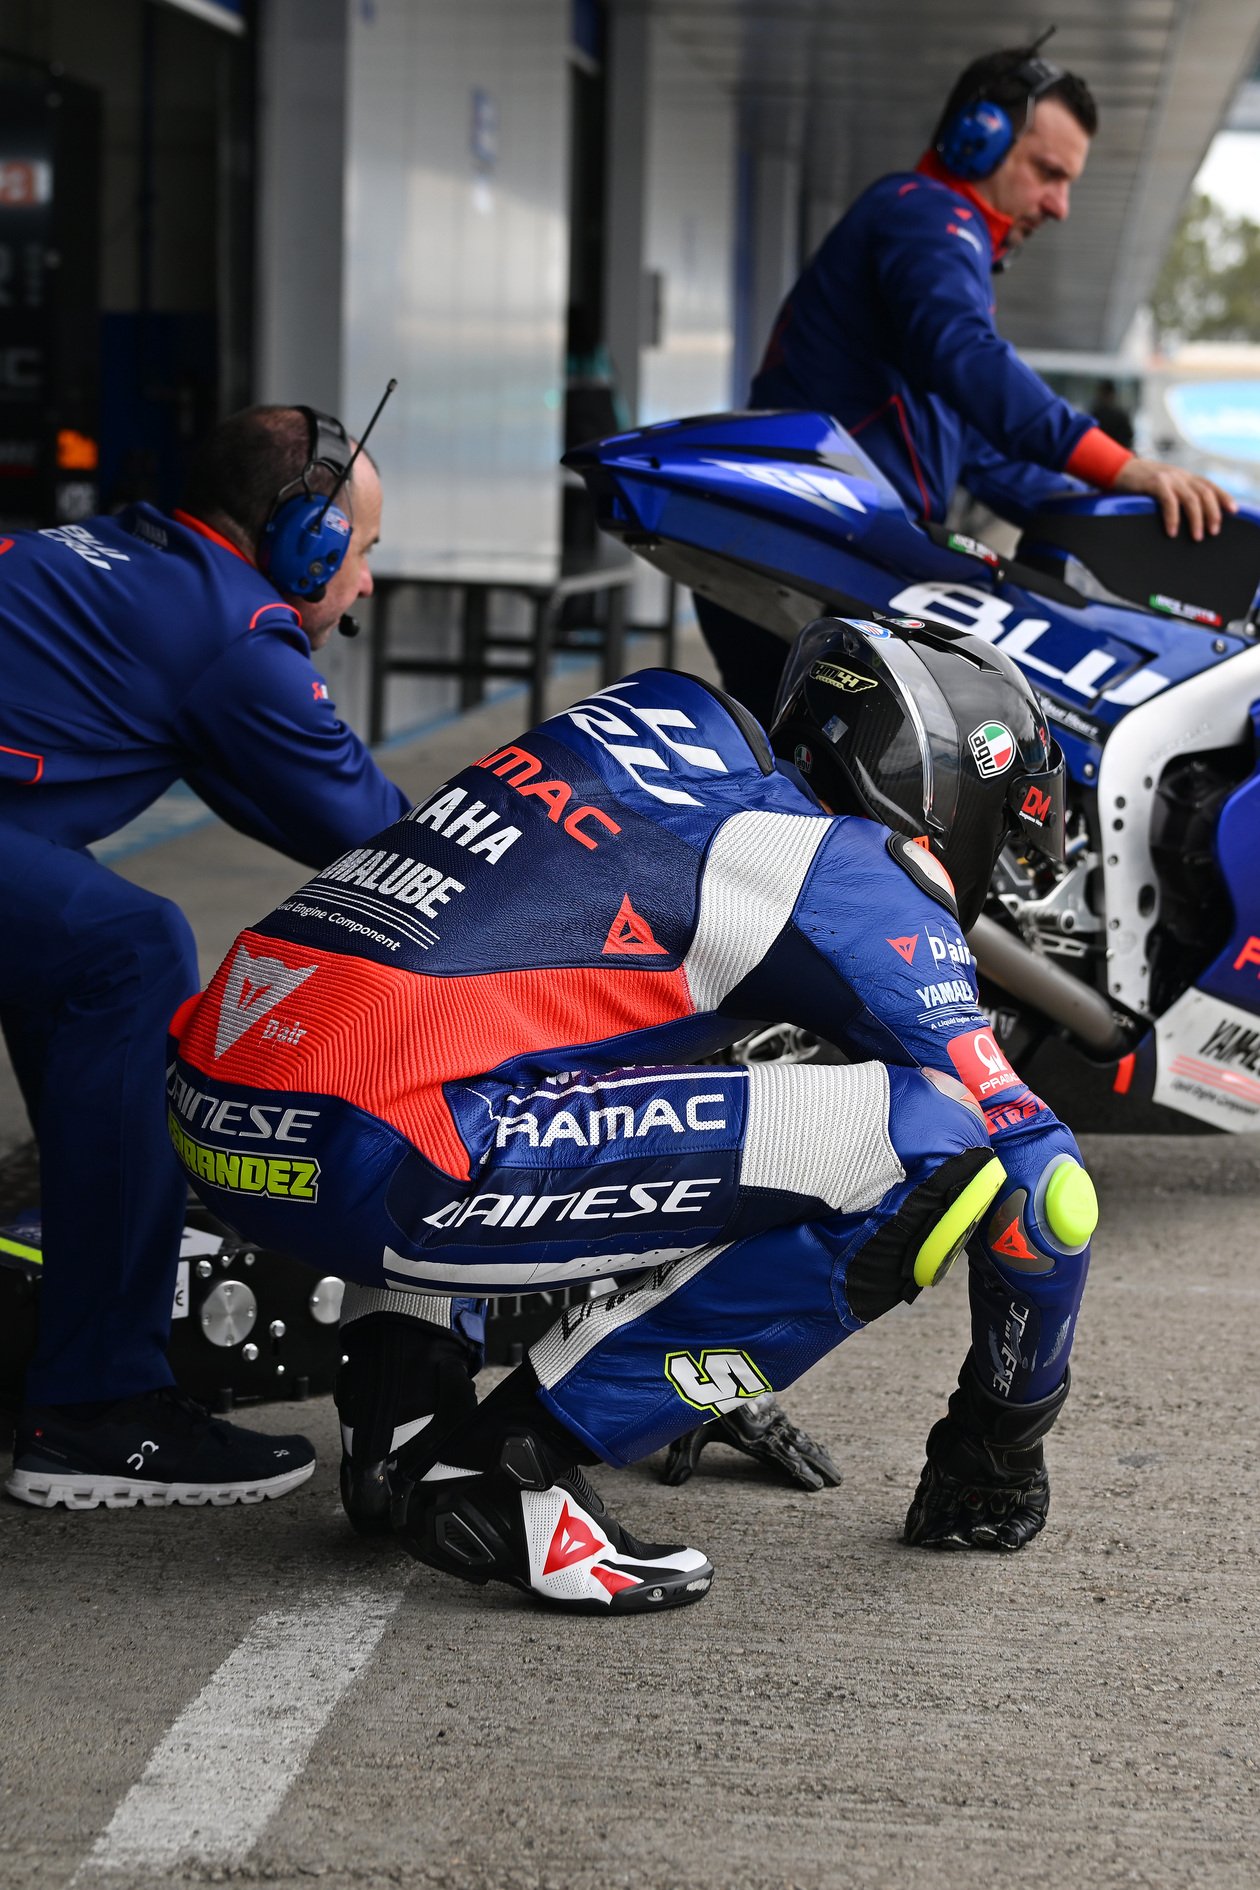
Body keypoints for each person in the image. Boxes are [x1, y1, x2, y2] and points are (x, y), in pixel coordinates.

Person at [166, 613, 1098, 1614]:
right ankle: (507, 1469)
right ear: (948, 786)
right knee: (943, 1141)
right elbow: (1049, 1192)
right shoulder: (854, 878)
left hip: (219, 1098)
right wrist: (996, 1444)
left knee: (502, 1042)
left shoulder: (658, 717)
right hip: (383, 1155)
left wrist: (714, 1353)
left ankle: (402, 1426)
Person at [0, 404, 418, 1510]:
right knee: (129, 952)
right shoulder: (232, 633)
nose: (366, 582)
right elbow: (385, 843)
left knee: (70, 934)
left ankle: (96, 1289)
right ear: (307, 542)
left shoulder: (122, 559)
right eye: (362, 550)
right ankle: (99, 1407)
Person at [699, 40, 1236, 715]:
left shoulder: (934, 248)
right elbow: (966, 356)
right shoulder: (926, 211)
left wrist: (1121, 526)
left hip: (811, 554)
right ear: (974, 141)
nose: (1061, 205)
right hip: (803, 554)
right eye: (1048, 172)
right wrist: (1121, 467)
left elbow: (986, 457)